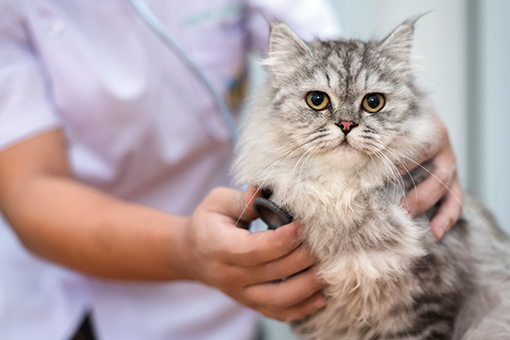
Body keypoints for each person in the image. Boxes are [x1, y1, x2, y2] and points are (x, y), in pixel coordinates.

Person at [0, 0, 461, 339]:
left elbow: (329, 54)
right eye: (321, 104)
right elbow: (29, 187)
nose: (342, 120)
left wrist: (416, 126)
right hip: (61, 291)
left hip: (228, 299)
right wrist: (185, 251)